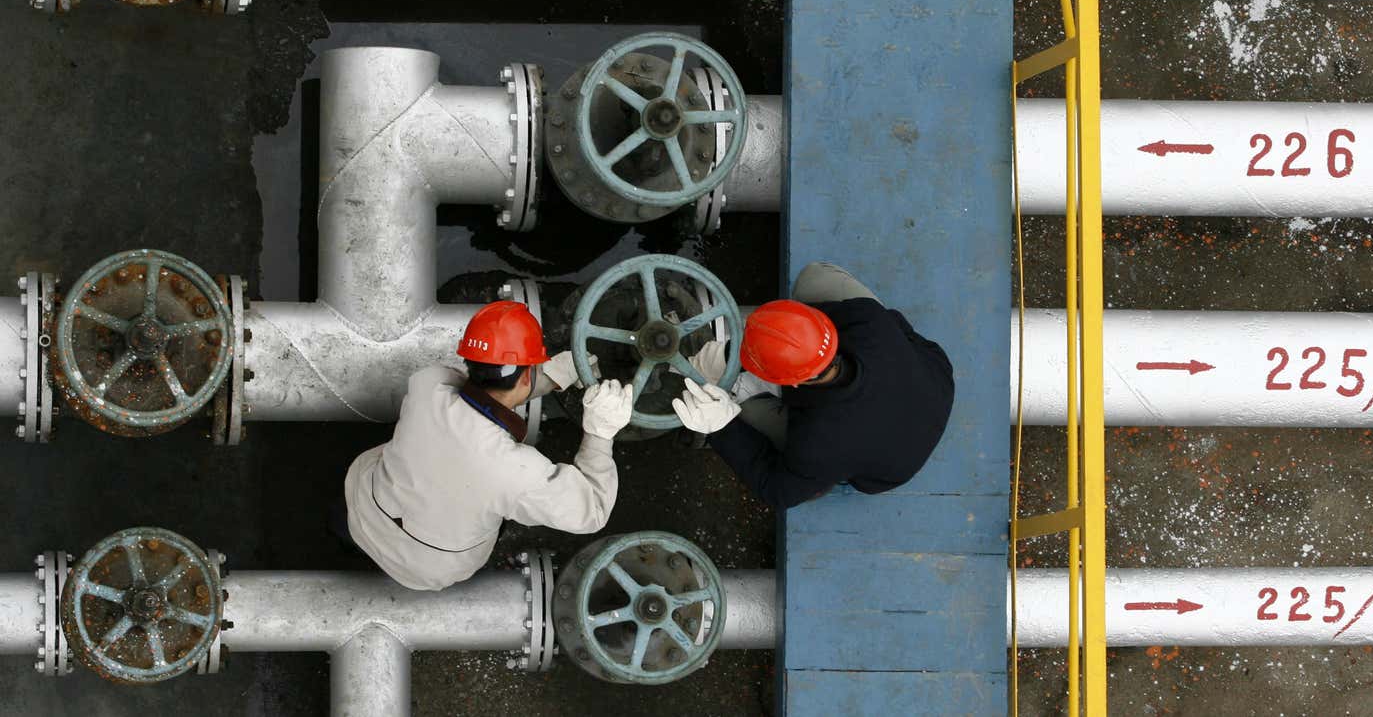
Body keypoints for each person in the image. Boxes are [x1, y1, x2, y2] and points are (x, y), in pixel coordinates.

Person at [342, 301, 633, 591]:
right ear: (525, 375)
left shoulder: (428, 385)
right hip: (426, 568)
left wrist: (549, 378)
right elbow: (592, 510)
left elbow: (487, 395)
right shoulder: (519, 473)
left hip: (364, 510)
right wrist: (599, 432)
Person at [671, 262, 954, 509]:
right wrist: (774, 341)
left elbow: (777, 490)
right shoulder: (868, 320)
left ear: (793, 383)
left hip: (886, 467)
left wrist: (722, 426)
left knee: (738, 412)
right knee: (815, 278)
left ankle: (818, 481)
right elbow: (908, 334)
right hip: (933, 385)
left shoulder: (819, 443)